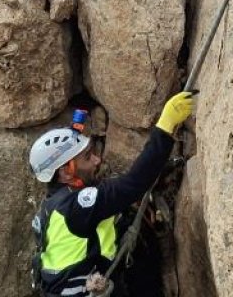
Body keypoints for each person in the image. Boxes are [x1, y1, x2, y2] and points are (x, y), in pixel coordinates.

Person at [28, 92, 195, 297]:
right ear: (65, 171)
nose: (97, 161)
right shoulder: (75, 206)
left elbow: (115, 192)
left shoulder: (53, 205)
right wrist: (165, 126)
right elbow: (132, 184)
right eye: (87, 157)